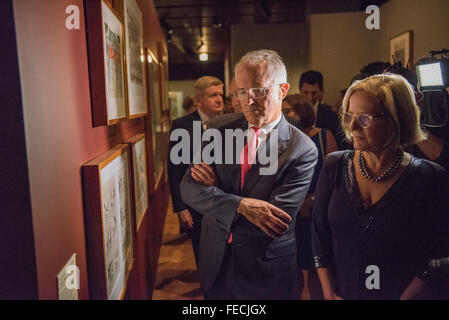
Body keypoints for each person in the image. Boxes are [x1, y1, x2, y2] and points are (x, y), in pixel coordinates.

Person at [180, 49, 318, 299]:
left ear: (282, 90)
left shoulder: (302, 149)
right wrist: (241, 205)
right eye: (242, 92)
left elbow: (274, 220)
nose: (249, 100)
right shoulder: (217, 129)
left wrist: (214, 195)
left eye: (259, 90)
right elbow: (189, 188)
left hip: (265, 271)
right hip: (215, 262)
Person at [312, 73, 449, 300]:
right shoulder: (334, 166)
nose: (353, 126)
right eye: (349, 116)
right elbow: (319, 238)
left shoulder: (430, 178)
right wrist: (328, 293)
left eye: (364, 118)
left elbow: (438, 255)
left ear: (396, 119)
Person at [167, 75, 224, 267]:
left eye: (221, 95)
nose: (219, 99)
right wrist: (180, 207)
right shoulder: (182, 125)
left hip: (225, 200)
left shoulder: (230, 123)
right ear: (199, 100)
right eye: (213, 95)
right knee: (202, 254)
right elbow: (175, 169)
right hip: (196, 203)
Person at [286, 95, 338, 299]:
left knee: (319, 263)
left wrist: (313, 201)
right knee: (295, 266)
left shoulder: (324, 136)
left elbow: (335, 180)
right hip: (292, 211)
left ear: (301, 112)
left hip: (319, 209)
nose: (283, 114)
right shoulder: (284, 138)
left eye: (288, 110)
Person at [299, 70, 347, 150]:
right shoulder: (292, 114)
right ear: (300, 91)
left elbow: (339, 146)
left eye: (314, 93)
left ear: (321, 91)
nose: (309, 97)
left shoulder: (331, 116)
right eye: (306, 93)